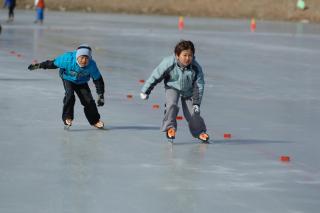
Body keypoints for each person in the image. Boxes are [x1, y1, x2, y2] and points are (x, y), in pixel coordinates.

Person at [140, 40, 210, 142]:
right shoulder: (168, 63)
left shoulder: (196, 67)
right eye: (184, 55)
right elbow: (156, 76)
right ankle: (170, 128)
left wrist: (196, 103)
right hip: (172, 87)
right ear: (177, 55)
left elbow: (199, 85)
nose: (187, 58)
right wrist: (146, 91)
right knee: (171, 104)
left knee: (193, 113)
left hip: (188, 91)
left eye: (190, 55)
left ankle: (199, 132)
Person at [27, 44, 105, 129]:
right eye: (82, 57)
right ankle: (67, 117)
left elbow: (98, 80)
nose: (84, 60)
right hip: (67, 79)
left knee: (88, 101)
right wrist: (39, 65)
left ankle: (95, 121)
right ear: (77, 56)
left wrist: (100, 95)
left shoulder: (92, 65)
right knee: (70, 95)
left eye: (87, 58)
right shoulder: (67, 59)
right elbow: (52, 64)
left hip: (82, 82)